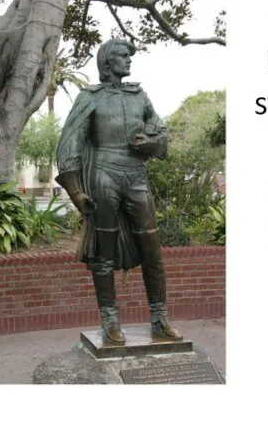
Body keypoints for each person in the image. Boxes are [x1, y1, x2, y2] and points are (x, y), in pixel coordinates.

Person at [55, 39, 182, 345]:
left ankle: (160, 316)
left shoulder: (140, 97)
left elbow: (161, 133)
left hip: (136, 176)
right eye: (123, 56)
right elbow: (69, 143)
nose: (129, 61)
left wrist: (150, 144)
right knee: (104, 254)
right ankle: (110, 319)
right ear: (107, 62)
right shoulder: (90, 97)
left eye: (129, 56)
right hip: (103, 176)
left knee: (153, 250)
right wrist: (75, 192)